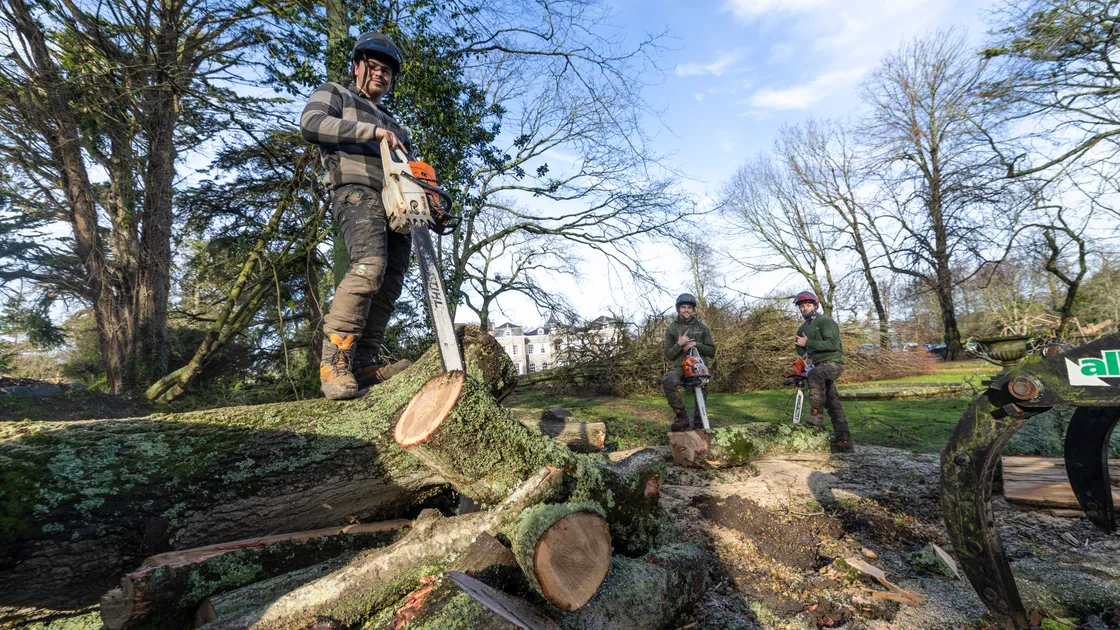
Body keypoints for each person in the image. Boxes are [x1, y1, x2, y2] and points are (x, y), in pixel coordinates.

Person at [300, 31, 415, 399]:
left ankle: (365, 361)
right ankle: (335, 360)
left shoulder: (398, 125)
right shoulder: (336, 93)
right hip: (356, 191)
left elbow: (408, 169)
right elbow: (311, 124)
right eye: (375, 67)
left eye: (387, 71)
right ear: (357, 67)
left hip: (397, 202)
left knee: (390, 283)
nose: (381, 75)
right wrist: (372, 131)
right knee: (369, 266)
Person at [793, 291, 853, 452]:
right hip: (818, 365)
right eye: (801, 306)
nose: (804, 308)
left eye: (808, 305)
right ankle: (844, 442)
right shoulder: (802, 328)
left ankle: (816, 413)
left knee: (814, 375)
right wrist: (804, 352)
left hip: (833, 363)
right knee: (833, 403)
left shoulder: (825, 322)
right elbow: (799, 346)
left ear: (815, 305)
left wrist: (809, 342)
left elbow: (834, 345)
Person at [662, 293, 716, 431]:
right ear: (678, 309)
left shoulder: (702, 327)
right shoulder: (671, 329)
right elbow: (668, 354)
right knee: (668, 380)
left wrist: (696, 344)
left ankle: (699, 425)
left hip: (698, 366)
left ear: (693, 309)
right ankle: (682, 417)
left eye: (689, 307)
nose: (686, 310)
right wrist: (679, 344)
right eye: (683, 307)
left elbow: (711, 351)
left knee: (701, 397)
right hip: (680, 366)